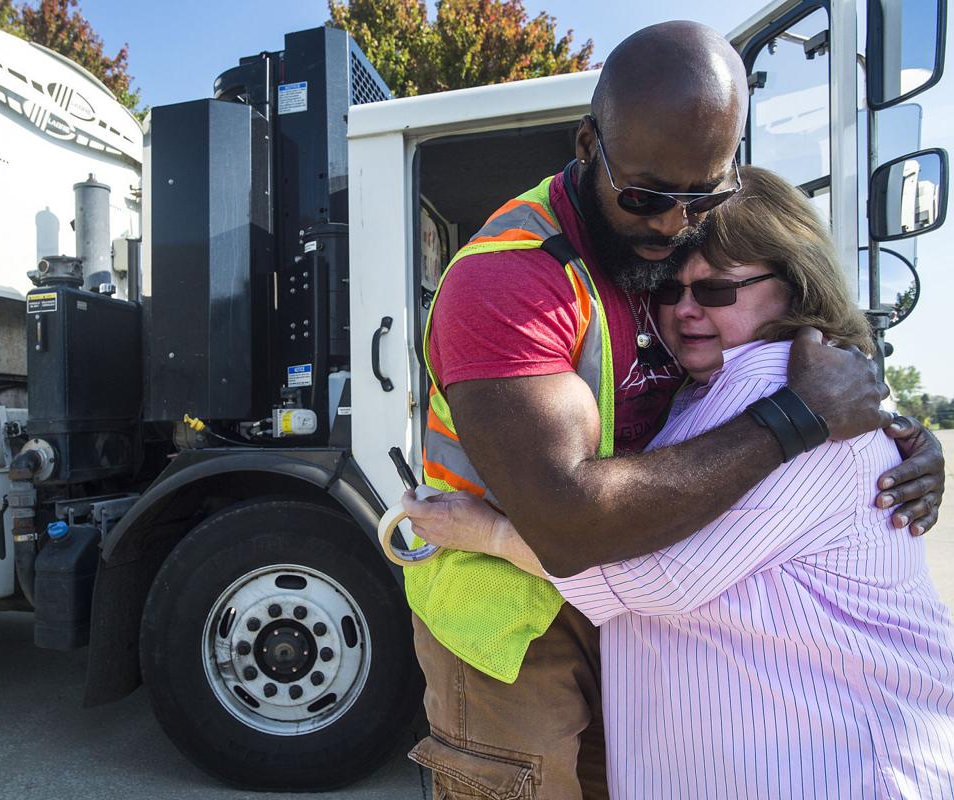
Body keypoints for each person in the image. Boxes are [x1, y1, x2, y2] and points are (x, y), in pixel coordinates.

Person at [403, 20, 947, 800]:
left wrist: (896, 436)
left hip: (619, 610)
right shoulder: (511, 281)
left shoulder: (659, 251)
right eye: (648, 196)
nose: (671, 225)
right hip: (512, 624)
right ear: (589, 147)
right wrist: (799, 419)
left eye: (704, 196)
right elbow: (568, 522)